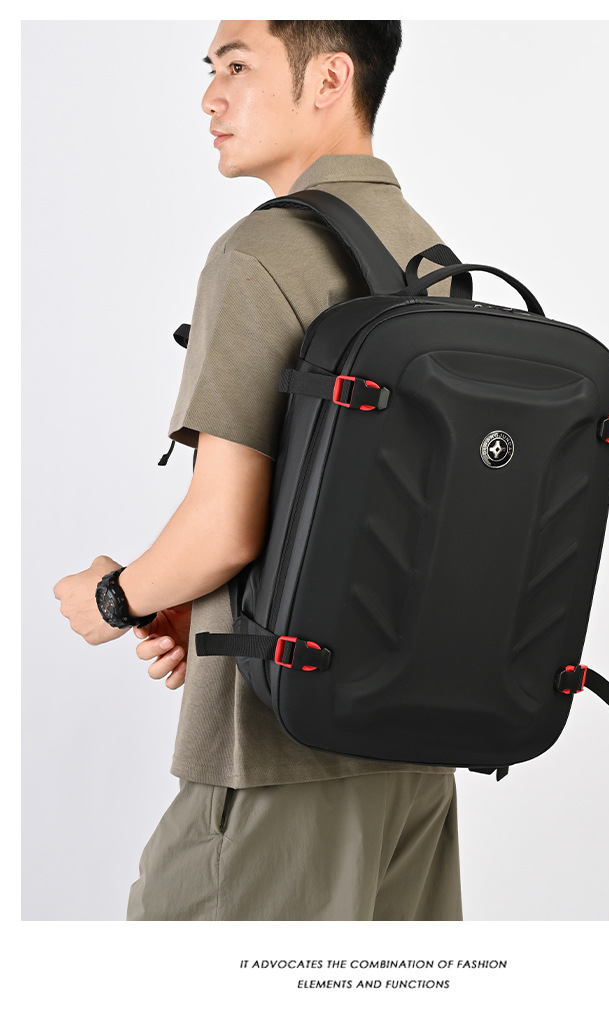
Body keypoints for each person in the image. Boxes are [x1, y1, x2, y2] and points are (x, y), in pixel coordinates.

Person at [53, 20, 462, 921]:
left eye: (237, 65)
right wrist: (194, 600)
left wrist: (118, 596)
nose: (211, 96)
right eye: (210, 70)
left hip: (278, 757)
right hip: (413, 759)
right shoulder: (429, 254)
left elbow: (226, 525)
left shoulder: (260, 252)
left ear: (330, 78)